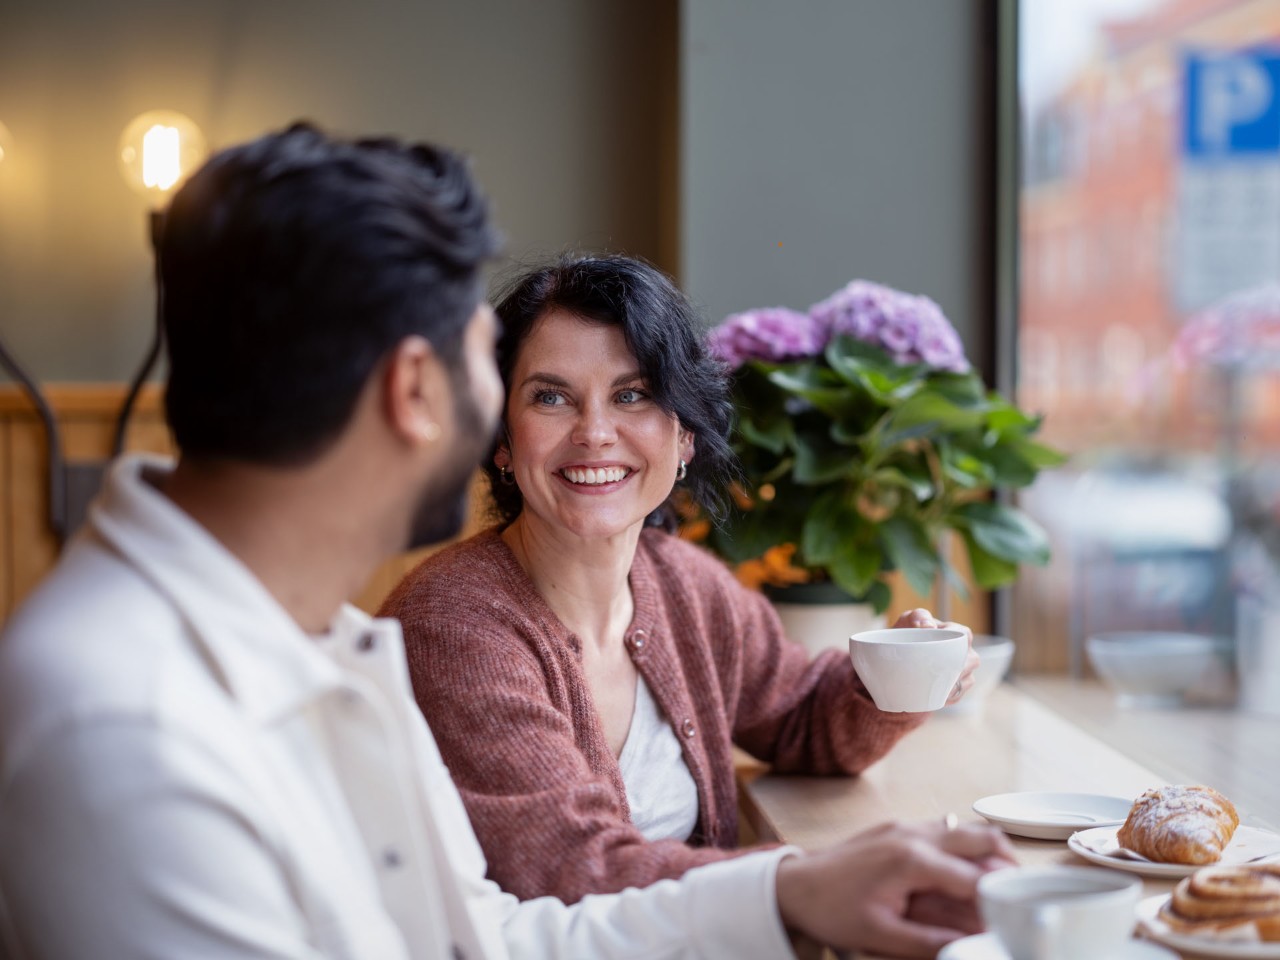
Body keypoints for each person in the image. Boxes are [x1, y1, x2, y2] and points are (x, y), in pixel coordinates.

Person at [0, 124, 1011, 960]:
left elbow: (485, 938)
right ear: (415, 391)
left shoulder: (315, 647)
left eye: (631, 397)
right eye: (512, 379)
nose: (585, 432)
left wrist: (797, 891)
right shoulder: (126, 725)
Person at [380, 255, 982, 906]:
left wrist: (899, 674)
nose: (595, 434)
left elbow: (799, 716)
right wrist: (811, 879)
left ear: (686, 434)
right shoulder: (453, 624)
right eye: (551, 397)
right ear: (502, 438)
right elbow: (573, 874)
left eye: (632, 394)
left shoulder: (683, 583)